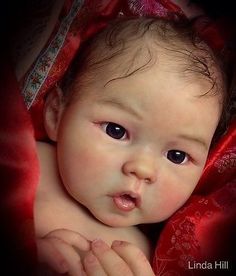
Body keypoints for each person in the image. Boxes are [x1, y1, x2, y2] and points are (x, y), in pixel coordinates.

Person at [34, 16, 228, 275]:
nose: (143, 169)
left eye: (177, 155)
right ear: (57, 114)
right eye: (116, 131)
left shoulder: (147, 257)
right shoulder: (26, 162)